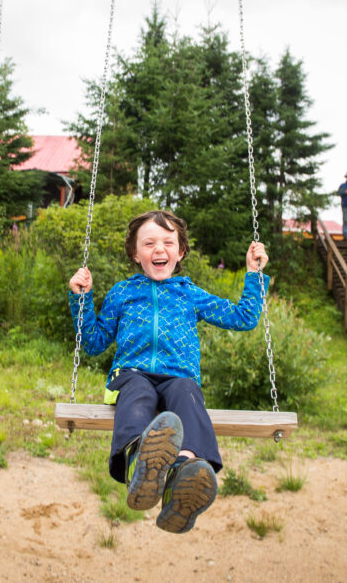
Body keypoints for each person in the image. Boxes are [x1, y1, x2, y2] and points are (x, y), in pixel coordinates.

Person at [68, 210, 269, 534]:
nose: (158, 249)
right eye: (149, 243)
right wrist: (81, 299)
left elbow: (243, 317)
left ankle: (184, 474)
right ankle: (140, 466)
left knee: (187, 395)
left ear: (181, 252)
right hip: (131, 372)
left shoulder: (189, 294)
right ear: (136, 253)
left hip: (179, 375)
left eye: (167, 242)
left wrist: (254, 274)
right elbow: (92, 342)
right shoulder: (122, 292)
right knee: (138, 393)